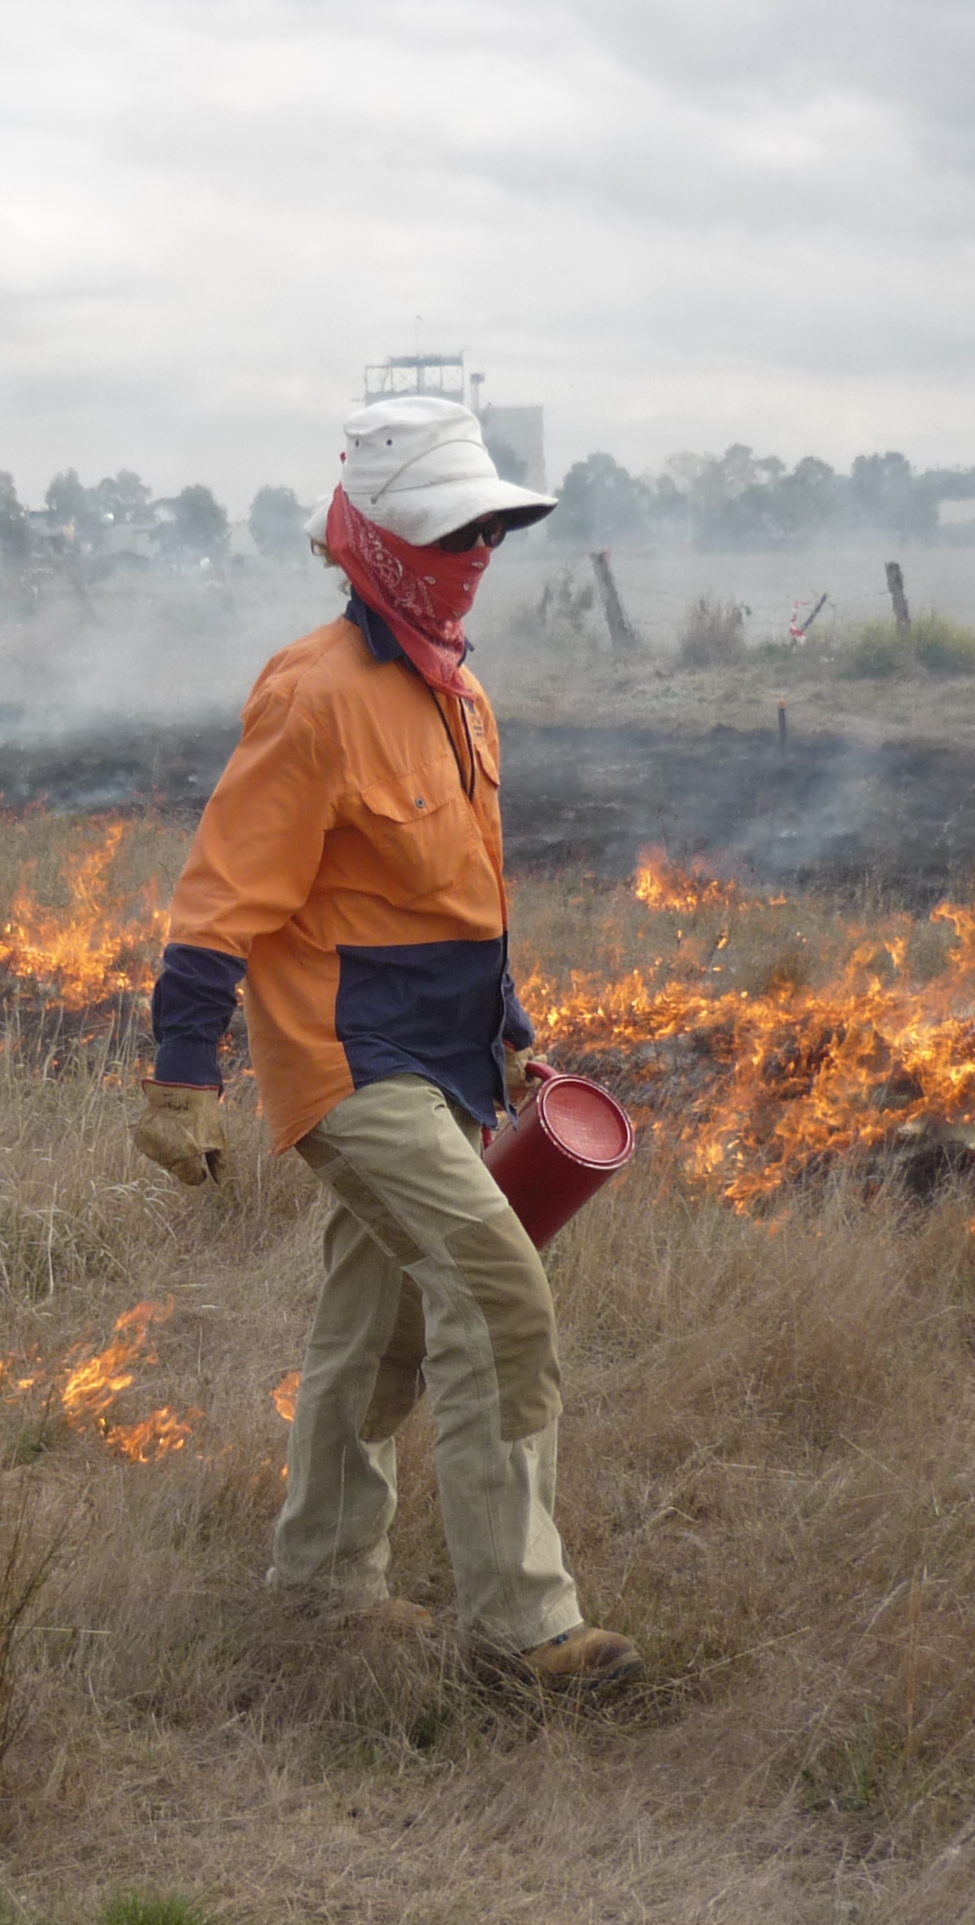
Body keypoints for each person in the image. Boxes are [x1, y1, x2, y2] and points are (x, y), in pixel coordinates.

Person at [132, 397, 642, 1694]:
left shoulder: (461, 695)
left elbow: (462, 897)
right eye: (451, 529)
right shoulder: (312, 698)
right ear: (375, 540)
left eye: (488, 528)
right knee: (495, 1291)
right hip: (350, 1069)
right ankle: (526, 1634)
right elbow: (221, 896)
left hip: (453, 1066)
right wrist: (183, 1079)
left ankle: (320, 1591)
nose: (476, 549)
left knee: (375, 1330)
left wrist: (517, 1039)